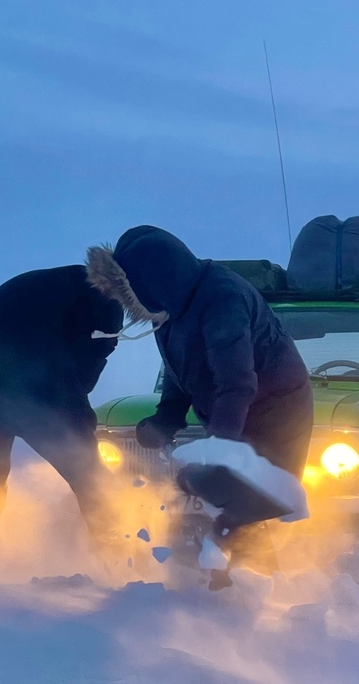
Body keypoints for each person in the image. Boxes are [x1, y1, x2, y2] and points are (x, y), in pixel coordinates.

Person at [86, 226, 313, 564]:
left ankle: (251, 592)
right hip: (234, 412)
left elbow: (236, 384)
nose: (129, 307)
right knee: (203, 503)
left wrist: (219, 448)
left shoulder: (224, 300)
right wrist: (168, 417)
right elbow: (182, 371)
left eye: (130, 295)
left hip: (275, 416)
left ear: (154, 283)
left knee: (243, 509)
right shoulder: (169, 311)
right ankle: (200, 582)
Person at [0, 265, 123, 577]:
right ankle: (121, 566)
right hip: (37, 384)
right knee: (91, 478)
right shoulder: (108, 292)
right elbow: (99, 348)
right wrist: (78, 412)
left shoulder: (23, 290)